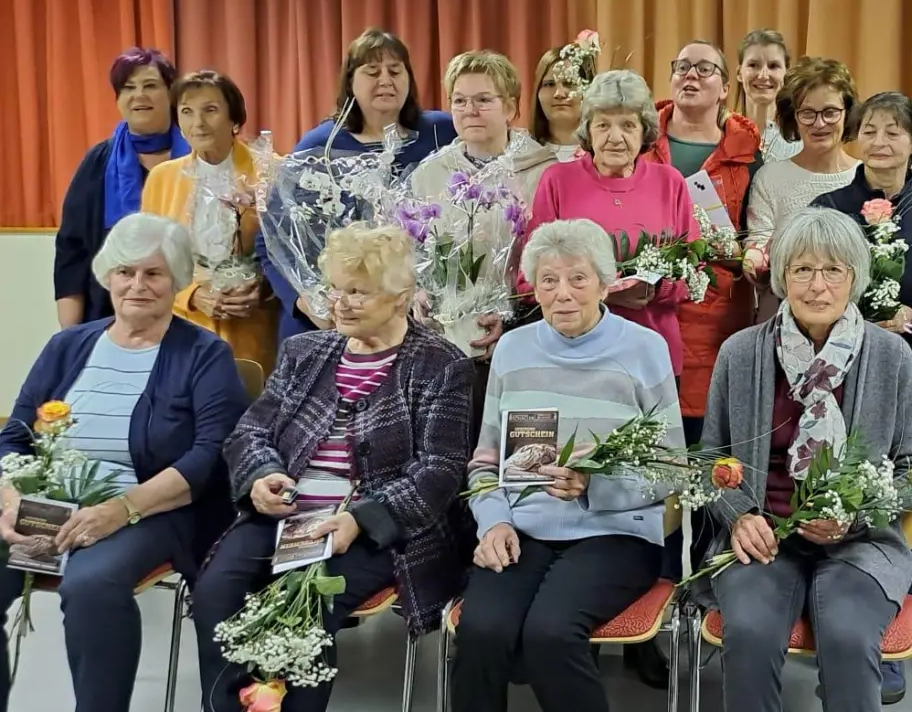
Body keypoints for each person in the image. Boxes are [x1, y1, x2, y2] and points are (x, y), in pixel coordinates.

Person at [191, 223, 472, 712]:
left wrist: (359, 520)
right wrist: (260, 477)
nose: (340, 303)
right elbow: (249, 433)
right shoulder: (306, 352)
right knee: (216, 591)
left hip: (380, 529)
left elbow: (440, 470)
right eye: (335, 290)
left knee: (311, 605)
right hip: (285, 513)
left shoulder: (441, 364)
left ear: (401, 296)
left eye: (358, 292)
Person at [0, 213, 248, 712]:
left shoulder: (204, 354)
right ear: (108, 275)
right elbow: (14, 434)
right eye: (126, 272)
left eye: (154, 274)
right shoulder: (68, 345)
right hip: (49, 507)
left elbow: (210, 456)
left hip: (152, 511)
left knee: (91, 583)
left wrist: (121, 509)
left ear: (176, 279)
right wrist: (10, 499)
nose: (137, 285)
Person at [451, 219, 685, 712]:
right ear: (533, 288)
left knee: (550, 635)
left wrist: (593, 485)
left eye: (578, 278)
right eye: (548, 280)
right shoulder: (512, 349)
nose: (563, 294)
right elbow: (485, 462)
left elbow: (672, 468)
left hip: (616, 534)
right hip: (523, 530)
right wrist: (492, 524)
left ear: (605, 282)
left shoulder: (644, 350)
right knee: (482, 630)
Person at [701, 206, 912, 712]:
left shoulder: (890, 355)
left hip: (860, 542)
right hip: (763, 539)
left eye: (833, 270)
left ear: (856, 278)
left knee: (848, 637)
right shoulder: (741, 354)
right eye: (802, 269)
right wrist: (740, 517)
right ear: (782, 277)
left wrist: (857, 513)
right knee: (753, 635)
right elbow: (710, 460)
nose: (817, 286)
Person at [813, 91, 912, 704]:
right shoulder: (829, 208)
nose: (881, 141)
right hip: (834, 372)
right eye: (870, 129)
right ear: (855, 138)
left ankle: (883, 626)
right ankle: (829, 626)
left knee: (898, 492)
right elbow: (808, 285)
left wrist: (907, 324)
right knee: (831, 483)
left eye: (896, 131)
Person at [257, 28, 457, 344]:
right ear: (350, 81)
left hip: (422, 320)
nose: (385, 80)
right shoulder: (320, 146)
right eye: (372, 71)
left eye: (395, 71)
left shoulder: (441, 133)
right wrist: (303, 301)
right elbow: (271, 240)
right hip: (335, 322)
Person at [410, 51, 558, 422]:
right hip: (445, 340)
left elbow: (551, 260)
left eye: (483, 100)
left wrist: (511, 318)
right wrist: (417, 291)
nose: (469, 110)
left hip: (524, 335)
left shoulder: (544, 173)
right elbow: (409, 251)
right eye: (459, 100)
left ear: (510, 107)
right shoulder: (428, 175)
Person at [528, 70, 698, 378]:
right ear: (588, 130)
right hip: (576, 354)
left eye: (628, 125)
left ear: (645, 131)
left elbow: (695, 270)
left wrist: (657, 290)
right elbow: (529, 280)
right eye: (603, 124)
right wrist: (603, 292)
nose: (615, 137)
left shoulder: (670, 183)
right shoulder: (557, 181)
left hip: (652, 356)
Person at [645, 41, 761, 432]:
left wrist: (739, 253)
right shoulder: (636, 143)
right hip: (643, 309)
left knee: (705, 439)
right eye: (682, 66)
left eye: (705, 68)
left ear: (727, 88)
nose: (691, 74)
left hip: (716, 318)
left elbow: (755, 238)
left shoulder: (750, 157)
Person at [142, 70, 278, 372]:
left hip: (255, 328)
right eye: (187, 112)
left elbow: (295, 256)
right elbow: (150, 261)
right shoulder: (162, 179)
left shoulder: (273, 172)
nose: (198, 123)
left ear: (235, 120)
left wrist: (264, 290)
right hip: (185, 330)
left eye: (211, 110)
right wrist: (191, 295)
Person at [55, 48, 186, 327]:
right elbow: (72, 251)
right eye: (128, 88)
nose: (139, 95)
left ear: (171, 93)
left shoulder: (199, 157)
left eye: (150, 85)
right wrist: (70, 336)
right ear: (119, 99)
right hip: (111, 317)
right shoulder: (97, 163)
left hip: (191, 313)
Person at [743, 57, 861, 320]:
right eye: (807, 113)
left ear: (848, 113)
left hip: (856, 318)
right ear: (793, 118)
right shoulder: (770, 177)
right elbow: (757, 255)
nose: (819, 124)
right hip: (780, 316)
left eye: (830, 112)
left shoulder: (865, 177)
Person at [730, 29, 796, 161]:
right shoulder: (721, 134)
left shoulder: (800, 144)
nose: (763, 75)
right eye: (753, 65)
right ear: (739, 73)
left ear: (786, 74)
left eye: (773, 66)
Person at [530, 36, 599, 163]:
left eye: (569, 83)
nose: (559, 93)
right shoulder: (523, 155)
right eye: (549, 84)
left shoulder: (605, 155)